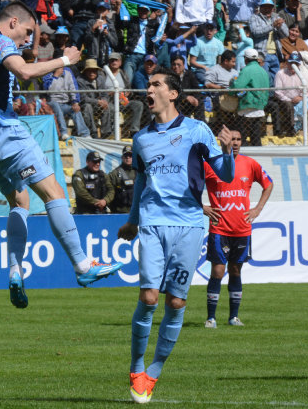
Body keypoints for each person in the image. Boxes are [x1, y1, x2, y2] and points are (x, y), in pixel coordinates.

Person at [0, 0, 123, 309]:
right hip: (5, 130)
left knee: (20, 201)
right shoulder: (0, 41)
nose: (26, 40)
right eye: (26, 32)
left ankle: (15, 271)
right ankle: (83, 265)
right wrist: (63, 60)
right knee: (53, 192)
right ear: (11, 23)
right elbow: (22, 71)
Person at [117, 67, 234, 404]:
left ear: (172, 94)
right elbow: (141, 182)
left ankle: (154, 371)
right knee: (150, 297)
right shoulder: (141, 138)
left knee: (176, 301)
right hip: (153, 222)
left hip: (189, 224)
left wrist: (229, 152)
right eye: (148, 85)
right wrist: (132, 220)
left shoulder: (198, 130)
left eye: (156, 85)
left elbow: (223, 175)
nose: (148, 90)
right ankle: (136, 366)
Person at [203, 128, 273, 328]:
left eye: (238, 139)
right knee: (217, 271)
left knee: (235, 271)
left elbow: (268, 184)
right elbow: (188, 186)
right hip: (219, 228)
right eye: (231, 139)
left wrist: (257, 209)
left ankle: (233, 317)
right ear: (223, 141)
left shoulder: (250, 164)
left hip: (242, 229)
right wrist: (202, 207)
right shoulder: (211, 164)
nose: (235, 142)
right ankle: (211, 318)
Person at [231, 48, 270, 146]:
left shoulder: (246, 70)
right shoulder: (263, 71)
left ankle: (243, 153)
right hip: (260, 105)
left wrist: (230, 89)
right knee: (256, 134)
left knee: (242, 133)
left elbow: (237, 86)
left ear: (245, 59)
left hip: (247, 105)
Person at [105, 145, 136, 214]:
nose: (128, 158)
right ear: (122, 157)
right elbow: (108, 192)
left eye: (130, 156)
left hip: (136, 212)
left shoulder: (139, 173)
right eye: (125, 156)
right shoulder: (114, 174)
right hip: (119, 212)